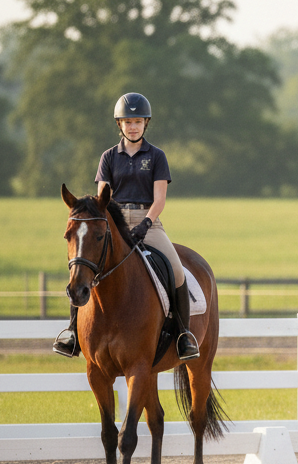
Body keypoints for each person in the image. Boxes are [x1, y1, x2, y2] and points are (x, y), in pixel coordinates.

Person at [53, 92, 200, 361]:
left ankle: (183, 335)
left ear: (146, 124)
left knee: (177, 270)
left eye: (138, 121)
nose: (133, 126)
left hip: (149, 221)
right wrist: (109, 223)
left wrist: (145, 224)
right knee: (85, 264)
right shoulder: (109, 157)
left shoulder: (157, 156)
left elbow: (160, 199)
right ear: (119, 125)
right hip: (114, 222)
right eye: (127, 121)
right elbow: (102, 200)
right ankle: (73, 332)